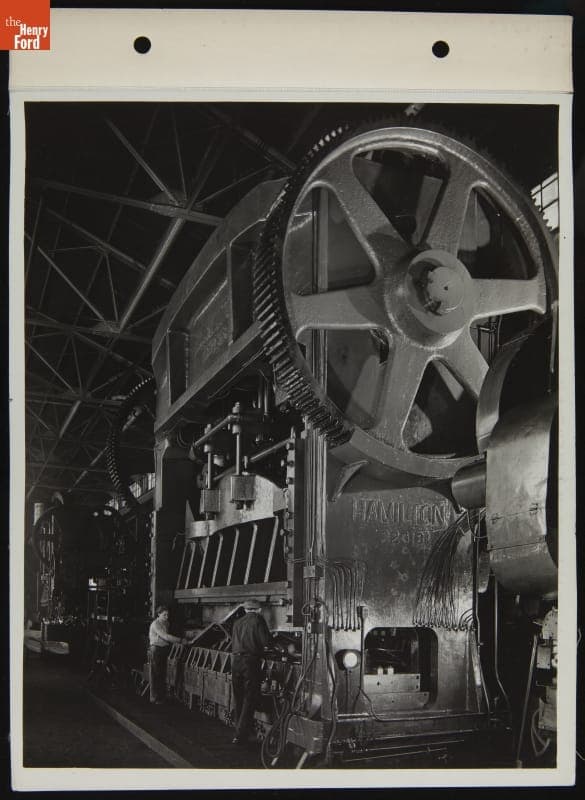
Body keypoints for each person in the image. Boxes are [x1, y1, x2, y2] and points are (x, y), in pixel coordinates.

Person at [230, 598, 271, 745]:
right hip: (250, 662)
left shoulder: (237, 622)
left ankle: (238, 730)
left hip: (236, 662)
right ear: (259, 610)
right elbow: (266, 642)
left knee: (238, 696)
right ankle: (241, 735)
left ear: (245, 610)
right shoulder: (258, 620)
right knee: (249, 697)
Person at [148, 605, 189, 704]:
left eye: (167, 615)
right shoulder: (155, 624)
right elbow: (165, 636)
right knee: (155, 674)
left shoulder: (166, 623)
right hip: (156, 650)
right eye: (164, 614)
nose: (167, 616)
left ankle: (161, 697)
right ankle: (154, 698)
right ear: (158, 614)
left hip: (163, 650)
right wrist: (180, 640)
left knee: (162, 673)